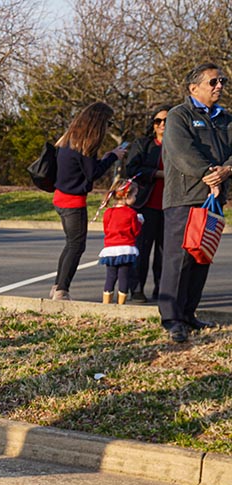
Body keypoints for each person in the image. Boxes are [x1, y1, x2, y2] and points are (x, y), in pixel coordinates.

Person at [158, 63, 232, 343]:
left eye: (222, 81)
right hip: (184, 198)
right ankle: (172, 319)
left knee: (201, 257)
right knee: (179, 259)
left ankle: (189, 314)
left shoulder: (226, 118)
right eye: (213, 81)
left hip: (214, 199)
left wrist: (226, 170)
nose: (219, 85)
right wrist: (208, 173)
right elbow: (181, 152)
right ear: (193, 88)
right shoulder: (179, 115)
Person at [50, 103, 127, 301]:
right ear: (98, 123)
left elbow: (84, 169)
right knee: (76, 246)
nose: (108, 127)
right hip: (73, 202)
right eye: (107, 123)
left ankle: (58, 286)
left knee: (71, 244)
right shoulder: (85, 146)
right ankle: (61, 290)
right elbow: (93, 173)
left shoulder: (68, 140)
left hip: (60, 197)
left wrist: (106, 157)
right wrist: (112, 157)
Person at [124, 107, 169, 302]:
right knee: (141, 250)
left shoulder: (181, 146)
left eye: (167, 121)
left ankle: (162, 290)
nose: (162, 124)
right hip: (145, 205)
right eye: (158, 121)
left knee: (165, 253)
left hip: (171, 206)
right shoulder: (143, 144)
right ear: (153, 124)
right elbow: (131, 169)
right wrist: (156, 174)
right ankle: (136, 289)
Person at [98, 181, 142, 304]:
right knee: (124, 277)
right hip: (126, 249)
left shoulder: (108, 212)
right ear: (127, 196)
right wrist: (140, 222)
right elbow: (135, 231)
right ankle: (121, 303)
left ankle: (106, 302)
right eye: (134, 195)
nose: (135, 198)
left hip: (110, 249)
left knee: (110, 276)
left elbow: (106, 230)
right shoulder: (131, 213)